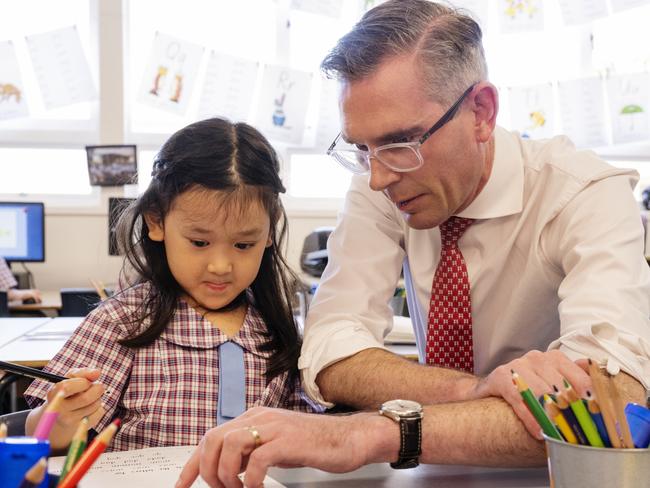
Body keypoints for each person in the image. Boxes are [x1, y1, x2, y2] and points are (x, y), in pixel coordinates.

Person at [177, 2, 650, 487]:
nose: (379, 176)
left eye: (402, 141)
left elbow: (612, 409)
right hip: (431, 472)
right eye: (361, 148)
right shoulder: (381, 181)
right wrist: (474, 392)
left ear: (482, 112)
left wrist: (368, 434)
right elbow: (330, 350)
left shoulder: (585, 194)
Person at [23, 117, 321, 453]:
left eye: (243, 245)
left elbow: (299, 436)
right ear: (156, 221)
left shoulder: (274, 327)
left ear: (269, 230)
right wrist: (60, 418)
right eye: (198, 242)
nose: (220, 266)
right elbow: (42, 438)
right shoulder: (123, 322)